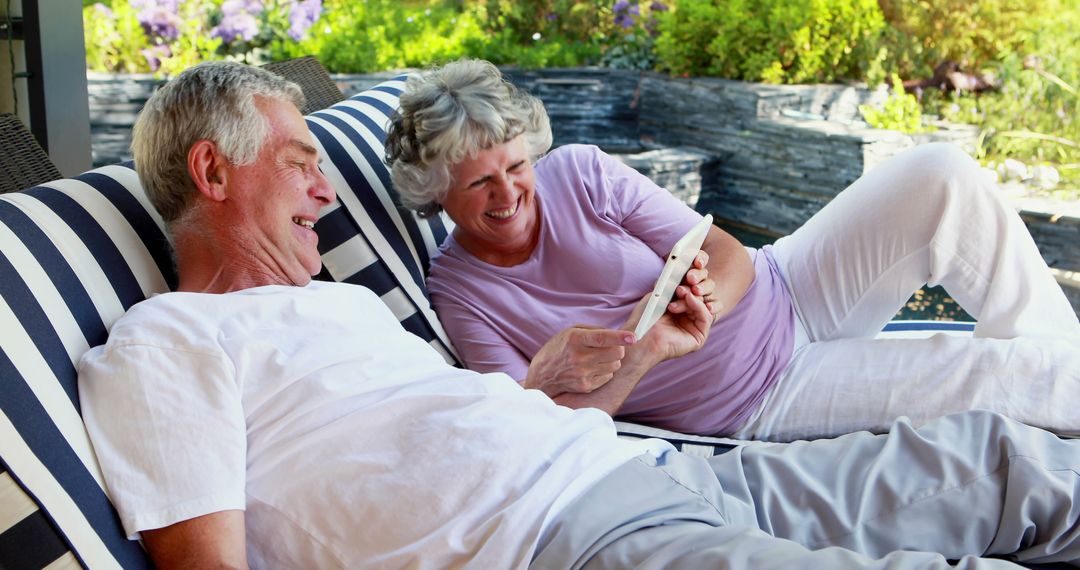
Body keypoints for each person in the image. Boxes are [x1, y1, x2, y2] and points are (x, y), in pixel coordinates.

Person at [77, 60, 1080, 570]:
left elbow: (496, 420)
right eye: (301, 163)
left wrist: (559, 388)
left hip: (649, 466)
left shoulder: (342, 308)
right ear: (213, 171)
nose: (327, 196)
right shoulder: (166, 344)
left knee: (998, 460)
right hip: (566, 536)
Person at [385, 58, 1080, 442]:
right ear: (435, 192)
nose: (508, 194)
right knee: (979, 371)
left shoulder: (580, 171)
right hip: (756, 395)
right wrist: (650, 349)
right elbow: (539, 430)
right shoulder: (461, 292)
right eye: (479, 183)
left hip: (791, 283)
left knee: (941, 175)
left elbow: (727, 250)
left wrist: (708, 292)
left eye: (516, 167)